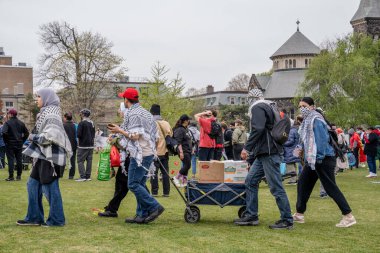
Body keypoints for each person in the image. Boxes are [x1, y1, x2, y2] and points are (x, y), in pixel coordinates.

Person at [234, 88, 293, 229]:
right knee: (250, 181)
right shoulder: (270, 105)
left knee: (275, 186)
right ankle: (251, 215)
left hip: (268, 152)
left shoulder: (257, 107)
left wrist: (247, 148)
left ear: (252, 99)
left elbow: (258, 129)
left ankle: (287, 220)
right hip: (265, 152)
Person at [293, 97, 356, 228]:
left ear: (312, 106)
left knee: (330, 186)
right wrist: (300, 149)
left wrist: (318, 159)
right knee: (303, 183)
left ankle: (348, 216)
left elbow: (321, 141)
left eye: (304, 105)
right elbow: (305, 139)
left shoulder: (316, 120)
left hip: (323, 158)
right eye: (300, 106)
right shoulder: (307, 121)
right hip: (313, 159)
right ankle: (299, 213)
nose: (302, 108)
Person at [108, 88, 164, 224]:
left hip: (140, 154)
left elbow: (135, 136)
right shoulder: (146, 113)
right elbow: (155, 136)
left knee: (133, 184)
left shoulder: (132, 114)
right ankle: (141, 214)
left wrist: (119, 130)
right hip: (149, 152)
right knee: (140, 183)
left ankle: (154, 206)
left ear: (126, 100)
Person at [17, 88, 72, 226]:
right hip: (43, 156)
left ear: (47, 98)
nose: (37, 99)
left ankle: (57, 220)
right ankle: (34, 218)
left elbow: (50, 136)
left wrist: (31, 137)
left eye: (39, 97)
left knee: (50, 188)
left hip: (51, 158)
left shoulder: (52, 114)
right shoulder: (46, 112)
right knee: (32, 185)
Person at [149, 104, 172, 197]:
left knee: (153, 173)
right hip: (165, 152)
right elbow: (170, 136)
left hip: (155, 152)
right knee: (165, 173)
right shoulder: (166, 123)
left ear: (151, 113)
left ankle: (155, 192)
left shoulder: (151, 123)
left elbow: (151, 138)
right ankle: (166, 192)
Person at [2, 108, 29, 181]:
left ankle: (11, 176)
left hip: (10, 144)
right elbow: (27, 133)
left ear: (10, 114)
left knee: (10, 159)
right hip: (19, 143)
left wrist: (6, 141)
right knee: (19, 159)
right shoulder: (21, 123)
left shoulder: (7, 123)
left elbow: (4, 132)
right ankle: (19, 176)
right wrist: (22, 140)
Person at [172, 114, 193, 187]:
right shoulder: (180, 129)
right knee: (187, 165)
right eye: (188, 120)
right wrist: (181, 152)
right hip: (183, 150)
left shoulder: (186, 129)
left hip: (188, 150)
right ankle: (176, 177)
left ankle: (184, 182)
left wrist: (192, 149)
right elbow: (178, 142)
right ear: (185, 121)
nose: (189, 121)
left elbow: (189, 140)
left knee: (186, 166)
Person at [76, 108, 95, 182]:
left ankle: (83, 176)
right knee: (89, 161)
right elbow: (93, 135)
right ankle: (88, 176)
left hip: (83, 145)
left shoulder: (81, 123)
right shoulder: (92, 123)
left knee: (80, 161)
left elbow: (78, 134)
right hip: (91, 145)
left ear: (83, 114)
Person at [283, 117, 301, 184]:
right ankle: (295, 178)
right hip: (294, 149)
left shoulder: (290, 131)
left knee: (290, 164)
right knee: (293, 164)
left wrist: (282, 143)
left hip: (290, 150)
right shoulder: (295, 129)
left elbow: (290, 141)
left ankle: (292, 180)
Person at [63, 112, 78, 179]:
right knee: (72, 160)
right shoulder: (75, 125)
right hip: (73, 144)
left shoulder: (63, 125)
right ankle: (71, 175)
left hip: (65, 144)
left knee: (62, 159)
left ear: (65, 118)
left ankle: (60, 174)